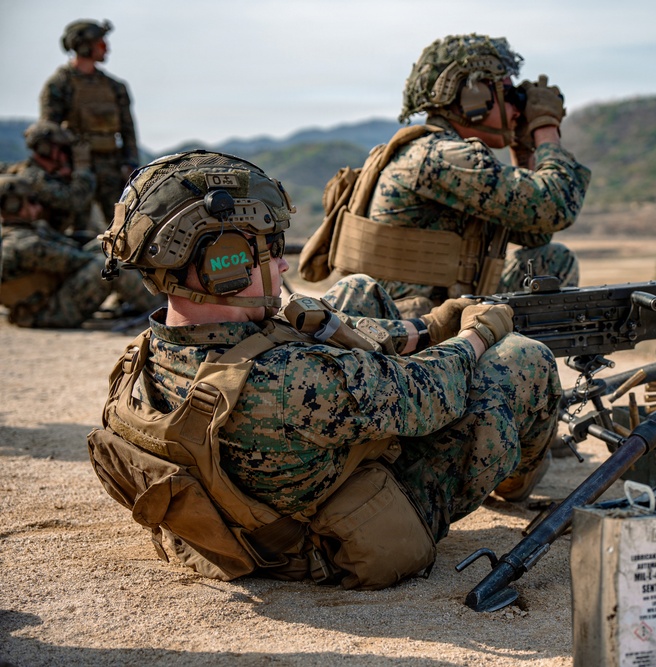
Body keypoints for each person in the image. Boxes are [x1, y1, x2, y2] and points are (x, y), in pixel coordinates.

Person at [88, 151, 561, 589]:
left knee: (355, 291)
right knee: (522, 359)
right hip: (336, 531)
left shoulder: (143, 355)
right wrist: (475, 335)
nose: (283, 262)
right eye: (270, 250)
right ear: (223, 265)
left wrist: (428, 326)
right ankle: (519, 476)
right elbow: (433, 393)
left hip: (263, 495)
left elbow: (306, 328)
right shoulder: (292, 381)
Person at [299, 33, 590, 317]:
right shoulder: (440, 156)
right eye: (511, 96)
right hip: (401, 328)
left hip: (432, 313)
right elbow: (555, 207)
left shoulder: (442, 153)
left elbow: (534, 232)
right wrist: (545, 127)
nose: (518, 109)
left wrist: (522, 145)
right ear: (474, 97)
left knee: (552, 261)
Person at [0, 173, 158, 328]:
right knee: (109, 265)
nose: (38, 206)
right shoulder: (22, 243)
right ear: (13, 204)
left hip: (44, 304)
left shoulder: (19, 232)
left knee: (104, 247)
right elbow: (75, 260)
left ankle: (140, 300)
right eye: (32, 201)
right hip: (48, 312)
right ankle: (159, 308)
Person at [39, 19, 139, 224]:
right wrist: (62, 165)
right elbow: (48, 132)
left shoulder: (114, 87)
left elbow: (128, 130)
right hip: (77, 168)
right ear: (83, 46)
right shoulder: (60, 85)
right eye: (101, 44)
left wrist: (130, 164)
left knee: (125, 226)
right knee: (78, 228)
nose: (107, 49)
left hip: (112, 166)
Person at [3, 120, 97, 237]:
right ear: (45, 149)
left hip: (46, 236)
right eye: (63, 150)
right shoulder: (33, 177)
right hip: (33, 241)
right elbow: (75, 200)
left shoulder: (46, 174)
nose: (66, 156)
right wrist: (82, 167)